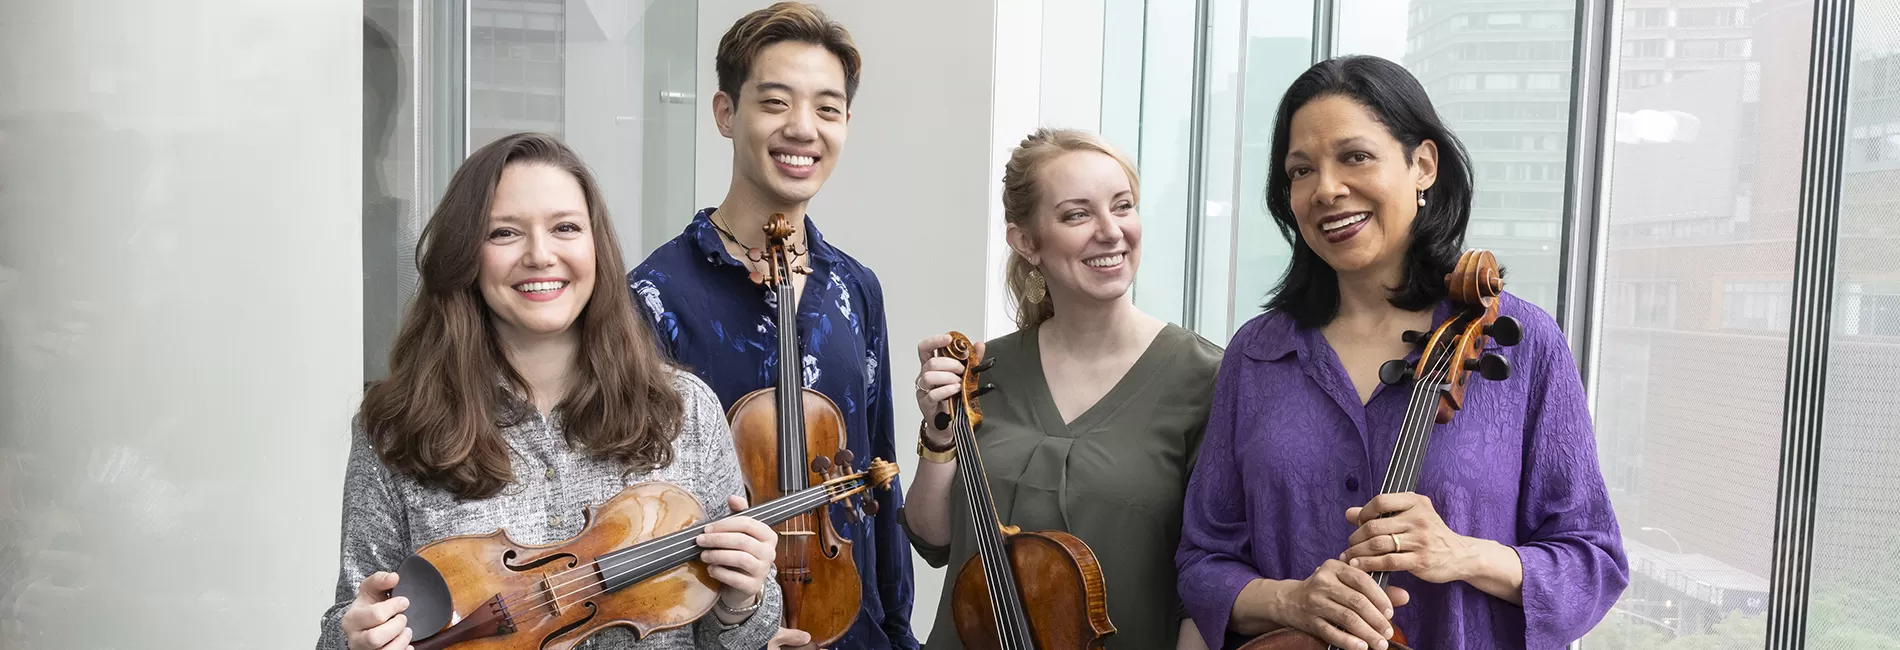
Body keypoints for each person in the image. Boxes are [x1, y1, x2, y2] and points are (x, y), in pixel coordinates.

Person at [1174, 55, 1628, 650]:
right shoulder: (1257, 354)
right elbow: (1203, 561)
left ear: (1422, 165)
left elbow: (1593, 562)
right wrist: (1291, 600)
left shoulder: (1523, 341)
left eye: (1354, 156)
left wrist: (1463, 553)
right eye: (1301, 170)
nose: (1327, 188)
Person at [317, 132, 783, 650]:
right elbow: (348, 618)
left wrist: (744, 599)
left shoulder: (687, 410)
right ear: (466, 255)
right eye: (504, 233)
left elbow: (727, 638)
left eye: (565, 228)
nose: (541, 255)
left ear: (596, 246)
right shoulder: (394, 429)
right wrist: (353, 640)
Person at [626, 4, 915, 649]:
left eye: (828, 109)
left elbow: (875, 476)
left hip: (849, 626)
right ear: (726, 113)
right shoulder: (653, 295)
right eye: (776, 102)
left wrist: (894, 632)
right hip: (712, 629)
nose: (803, 129)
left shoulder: (854, 289)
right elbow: (639, 508)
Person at [904, 128, 1223, 649]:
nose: (1111, 231)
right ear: (1026, 242)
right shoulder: (982, 368)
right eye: (1077, 214)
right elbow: (935, 539)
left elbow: (1207, 585)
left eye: (1123, 206)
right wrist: (938, 437)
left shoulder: (1206, 379)